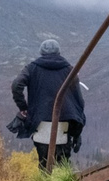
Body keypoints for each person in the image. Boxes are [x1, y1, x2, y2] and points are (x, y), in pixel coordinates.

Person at [10, 37, 87, 171]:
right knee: (63, 163)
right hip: (64, 122)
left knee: (44, 162)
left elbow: (17, 85)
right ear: (58, 52)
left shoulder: (32, 68)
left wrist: (23, 107)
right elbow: (79, 101)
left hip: (40, 122)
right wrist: (77, 129)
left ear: (41, 52)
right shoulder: (69, 70)